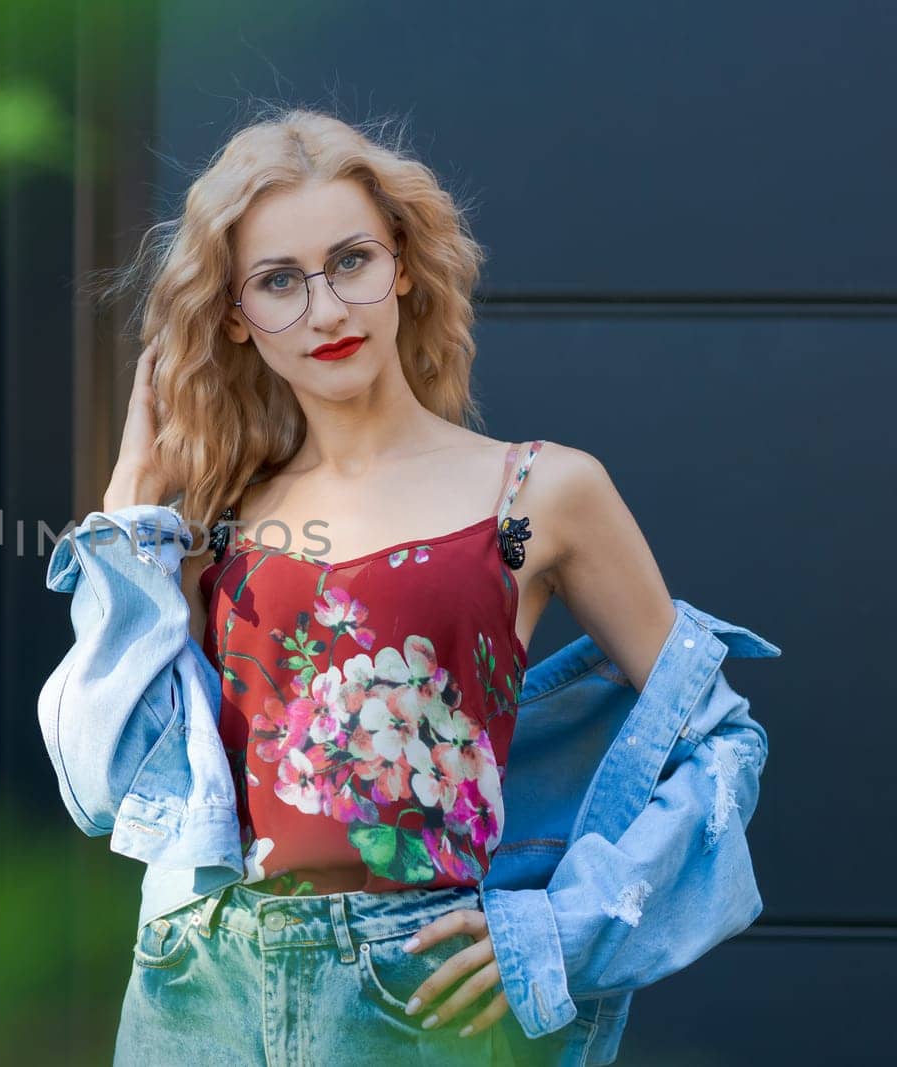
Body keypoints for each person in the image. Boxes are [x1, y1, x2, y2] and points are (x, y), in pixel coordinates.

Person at [51, 108, 769, 1065]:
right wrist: (129, 515)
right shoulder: (208, 520)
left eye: (351, 260)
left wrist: (557, 930)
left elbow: (722, 739)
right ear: (232, 313)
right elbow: (106, 788)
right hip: (197, 985)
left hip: (417, 993)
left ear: (401, 261)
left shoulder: (540, 490)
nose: (328, 311)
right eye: (277, 282)